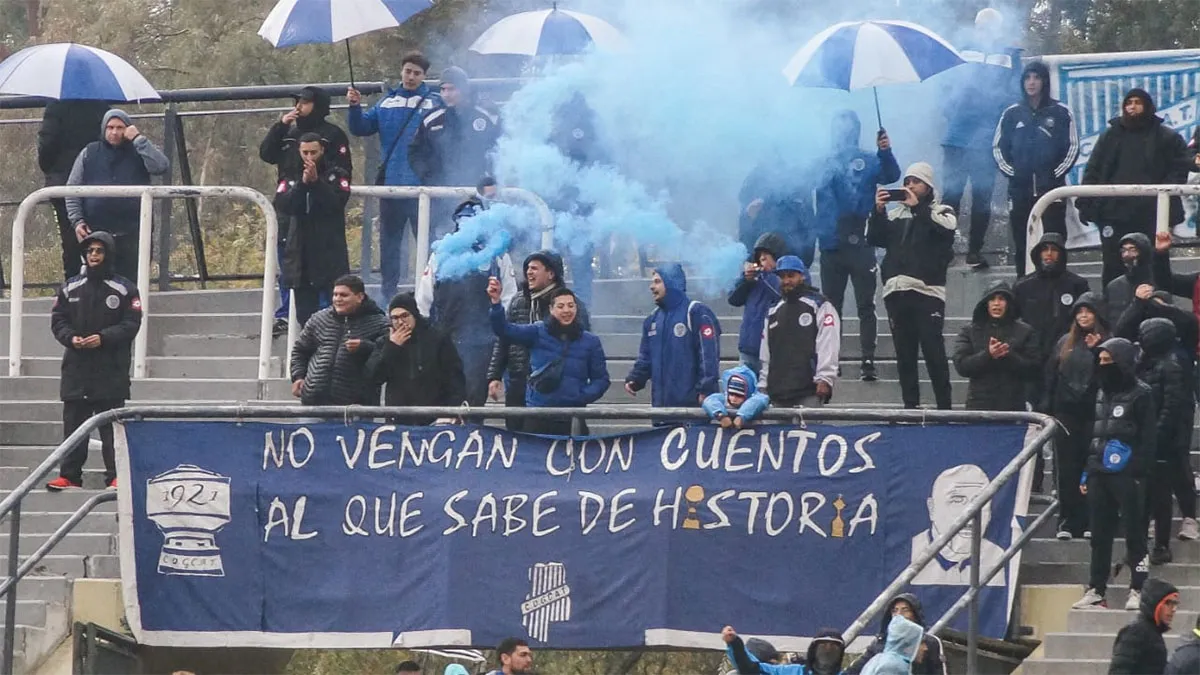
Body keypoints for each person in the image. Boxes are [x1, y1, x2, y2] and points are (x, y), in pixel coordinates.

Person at [45, 232, 142, 492]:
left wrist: (103, 338)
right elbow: (58, 321)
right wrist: (71, 338)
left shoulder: (125, 289)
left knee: (112, 429)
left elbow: (131, 324)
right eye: (90, 251)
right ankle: (69, 476)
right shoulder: (69, 287)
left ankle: (115, 477)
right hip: (77, 371)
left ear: (108, 254)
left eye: (99, 250)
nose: (94, 255)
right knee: (74, 426)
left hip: (111, 371)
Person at [260, 86, 353, 336]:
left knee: (326, 277)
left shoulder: (333, 135)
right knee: (289, 263)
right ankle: (285, 314)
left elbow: (340, 186)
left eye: (306, 102)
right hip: (291, 207)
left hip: (323, 218)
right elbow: (266, 154)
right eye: (298, 101)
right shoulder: (288, 133)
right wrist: (280, 126)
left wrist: (317, 181)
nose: (300, 106)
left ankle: (329, 320)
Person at [348, 51, 442, 298]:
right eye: (408, 71)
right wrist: (355, 107)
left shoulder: (434, 102)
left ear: (425, 76)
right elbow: (361, 128)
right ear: (401, 71)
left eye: (417, 73)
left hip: (423, 186)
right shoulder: (385, 102)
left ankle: (429, 294)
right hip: (390, 186)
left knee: (428, 243)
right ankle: (388, 297)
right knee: (389, 247)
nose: (411, 77)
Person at [1073, 338, 1155, 611]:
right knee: (1099, 534)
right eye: (1100, 361)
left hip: (1127, 474)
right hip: (1098, 472)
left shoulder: (1142, 393)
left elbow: (1148, 438)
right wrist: (1087, 470)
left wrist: (1137, 471)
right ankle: (1097, 589)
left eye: (1108, 361)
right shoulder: (1099, 392)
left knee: (1135, 533)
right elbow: (1095, 434)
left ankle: (1138, 587)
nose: (1103, 366)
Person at [816, 111, 899, 381]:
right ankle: (832, 360)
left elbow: (891, 174)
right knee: (831, 306)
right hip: (831, 244)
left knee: (866, 304)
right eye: (838, 127)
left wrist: (885, 151)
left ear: (856, 130)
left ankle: (868, 359)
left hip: (861, 241)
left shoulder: (868, 158)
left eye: (848, 127)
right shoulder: (823, 162)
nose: (843, 132)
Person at [1077, 88, 1190, 286]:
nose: (1132, 107)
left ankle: (1159, 308)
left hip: (1152, 213)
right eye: (1129, 102)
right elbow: (1093, 169)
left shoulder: (1166, 137)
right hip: (1114, 213)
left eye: (1137, 102)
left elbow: (1179, 169)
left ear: (1147, 106)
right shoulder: (1110, 136)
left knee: (1156, 263)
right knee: (1113, 264)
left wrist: (1164, 198)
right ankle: (1113, 311)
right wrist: (1086, 202)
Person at [867, 162, 956, 409]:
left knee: (933, 351)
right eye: (906, 182)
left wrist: (919, 210)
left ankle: (945, 408)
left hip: (928, 292)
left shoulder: (943, 210)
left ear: (928, 185)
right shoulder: (895, 215)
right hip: (896, 291)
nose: (909, 186)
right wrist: (878, 210)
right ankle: (911, 408)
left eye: (915, 181)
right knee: (904, 355)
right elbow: (873, 238)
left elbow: (946, 232)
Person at [941, 8, 1022, 269]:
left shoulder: (1010, 54)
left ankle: (974, 250)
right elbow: (945, 85)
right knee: (951, 196)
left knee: (982, 198)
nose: (986, 30)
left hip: (987, 139)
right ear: (976, 27)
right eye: (982, 25)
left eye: (991, 26)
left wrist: (1000, 126)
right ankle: (943, 248)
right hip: (957, 135)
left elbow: (1014, 92)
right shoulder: (960, 49)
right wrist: (950, 110)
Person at [416, 222, 518, 408]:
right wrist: (423, 332)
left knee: (474, 394)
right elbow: (424, 296)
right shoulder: (441, 252)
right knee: (444, 393)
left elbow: (509, 297)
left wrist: (500, 332)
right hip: (445, 336)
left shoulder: (498, 253)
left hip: (482, 340)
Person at [992, 61, 1079, 277]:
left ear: (1045, 81)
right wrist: (1014, 173)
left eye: (1036, 77)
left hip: (1051, 191)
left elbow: (1073, 147)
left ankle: (1058, 289)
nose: (1031, 83)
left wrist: (1053, 175)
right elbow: (997, 148)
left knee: (1054, 242)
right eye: (1027, 78)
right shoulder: (1011, 113)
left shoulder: (1061, 111)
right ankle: (1023, 287)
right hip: (1019, 192)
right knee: (1023, 244)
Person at [487, 250, 590, 432]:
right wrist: (495, 376)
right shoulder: (518, 301)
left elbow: (584, 347)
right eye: (527, 268)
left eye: (534, 268)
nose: (528, 272)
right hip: (518, 382)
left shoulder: (572, 305)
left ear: (551, 274)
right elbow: (504, 338)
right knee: (518, 440)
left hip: (556, 389)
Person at [488, 282, 609, 435]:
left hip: (573, 418)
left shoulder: (591, 341)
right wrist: (496, 303)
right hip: (537, 416)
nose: (566, 310)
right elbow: (505, 330)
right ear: (551, 309)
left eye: (571, 305)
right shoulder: (538, 331)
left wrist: (581, 396)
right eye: (561, 306)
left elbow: (601, 379)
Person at [65, 109, 169, 283]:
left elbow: (161, 166)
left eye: (120, 127)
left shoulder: (139, 150)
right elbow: (72, 189)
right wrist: (77, 221)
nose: (114, 132)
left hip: (134, 232)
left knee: (133, 284)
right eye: (110, 127)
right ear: (103, 129)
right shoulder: (89, 152)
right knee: (98, 284)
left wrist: (138, 139)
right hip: (98, 234)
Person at [1042, 293, 1109, 540]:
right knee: (1066, 468)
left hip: (1095, 413)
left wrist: (1096, 352)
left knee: (1092, 468)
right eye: (1079, 311)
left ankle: (1093, 519)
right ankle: (1067, 521)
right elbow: (1051, 376)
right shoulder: (1063, 343)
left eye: (1088, 311)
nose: (1083, 315)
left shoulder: (1109, 341)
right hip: (1065, 413)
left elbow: (1112, 377)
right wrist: (1047, 407)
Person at [409, 66, 501, 233]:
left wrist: (490, 179)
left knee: (480, 241)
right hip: (438, 195)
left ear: (464, 89)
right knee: (438, 244)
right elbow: (415, 151)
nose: (446, 94)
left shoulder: (486, 117)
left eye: (452, 89)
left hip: (477, 193)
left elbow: (499, 149)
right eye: (443, 89)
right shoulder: (432, 118)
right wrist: (429, 176)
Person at [274, 132, 353, 326]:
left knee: (336, 316)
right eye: (305, 152)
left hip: (329, 252)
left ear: (322, 150)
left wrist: (317, 183)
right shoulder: (290, 175)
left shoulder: (336, 175)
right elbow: (283, 205)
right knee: (306, 318)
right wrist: (303, 184)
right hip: (301, 255)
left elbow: (336, 204)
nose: (309, 157)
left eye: (314, 152)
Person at [624, 264, 721, 413]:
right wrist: (636, 379)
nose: (651, 287)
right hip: (661, 409)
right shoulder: (652, 320)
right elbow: (646, 357)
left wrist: (706, 389)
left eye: (657, 281)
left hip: (692, 409)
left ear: (671, 283)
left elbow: (708, 356)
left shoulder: (696, 312)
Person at [1133, 319, 1191, 566]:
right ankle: (1137, 546)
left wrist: (1156, 435)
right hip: (1144, 438)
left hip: (1163, 442)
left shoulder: (1171, 366)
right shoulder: (1143, 364)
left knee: (1160, 495)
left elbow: (1171, 405)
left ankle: (1161, 545)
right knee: (1141, 496)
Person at [364, 293, 466, 425]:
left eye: (404, 316)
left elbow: (455, 378)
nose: (400, 322)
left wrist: (450, 412)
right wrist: (392, 348)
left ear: (414, 314)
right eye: (395, 318)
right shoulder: (385, 342)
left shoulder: (437, 338)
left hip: (435, 418)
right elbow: (373, 377)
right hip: (398, 419)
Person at [1013, 233, 1090, 406]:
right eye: (1044, 250)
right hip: (1032, 357)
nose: (1049, 254)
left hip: (1065, 355)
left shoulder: (1077, 284)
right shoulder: (1023, 286)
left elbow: (1086, 317)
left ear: (1061, 254)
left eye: (1054, 250)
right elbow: (1014, 320)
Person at [37, 99, 110, 280]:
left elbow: (47, 145)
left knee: (69, 237)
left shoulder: (56, 107)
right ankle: (102, 281)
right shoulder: (101, 106)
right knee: (101, 233)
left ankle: (72, 283)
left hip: (62, 179)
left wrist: (51, 169)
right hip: (97, 178)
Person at [290, 275, 390, 406]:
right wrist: (298, 376)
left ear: (360, 297)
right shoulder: (318, 320)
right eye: (335, 295)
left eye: (343, 295)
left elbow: (388, 357)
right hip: (314, 403)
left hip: (357, 406)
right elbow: (300, 351)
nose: (338, 299)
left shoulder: (379, 323)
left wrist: (365, 347)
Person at [758, 255, 839, 408]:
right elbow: (766, 353)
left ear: (801, 276)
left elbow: (829, 342)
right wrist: (763, 386)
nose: (786, 281)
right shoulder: (773, 311)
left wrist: (825, 378)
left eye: (791, 275)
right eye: (782, 276)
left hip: (809, 390)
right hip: (777, 392)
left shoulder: (819, 304)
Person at [911, 464, 1006, 586]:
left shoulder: (998, 555)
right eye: (957, 500)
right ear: (932, 508)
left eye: (980, 501)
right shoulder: (913, 551)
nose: (969, 511)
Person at [952, 281, 1039, 411]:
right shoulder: (969, 331)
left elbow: (1034, 368)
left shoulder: (1025, 331)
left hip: (1013, 406)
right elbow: (962, 366)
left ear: (1009, 303)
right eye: (992, 299)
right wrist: (988, 355)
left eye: (1001, 299)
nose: (996, 303)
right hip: (979, 405)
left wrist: (1009, 356)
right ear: (985, 303)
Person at [738, 154, 816, 265]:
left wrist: (803, 262)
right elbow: (745, 228)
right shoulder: (753, 182)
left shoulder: (798, 181)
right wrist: (751, 261)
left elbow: (809, 226)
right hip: (762, 260)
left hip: (792, 261)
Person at [728, 233, 786, 375]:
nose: (762, 258)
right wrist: (745, 280)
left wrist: (765, 274)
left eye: (766, 254)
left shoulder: (783, 279)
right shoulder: (754, 279)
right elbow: (733, 299)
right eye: (760, 254)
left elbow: (781, 294)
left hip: (772, 351)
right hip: (748, 348)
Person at [846, 593, 947, 675]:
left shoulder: (930, 642)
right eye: (894, 610)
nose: (899, 614)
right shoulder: (880, 642)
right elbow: (855, 669)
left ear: (916, 614)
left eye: (905, 610)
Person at [1109, 578, 1180, 675]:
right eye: (1168, 603)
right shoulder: (1136, 632)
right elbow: (1119, 670)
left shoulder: (1152, 633)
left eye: (1175, 604)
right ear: (1155, 603)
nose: (1173, 609)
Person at [722, 625, 845, 675]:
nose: (828, 651)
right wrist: (735, 644)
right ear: (814, 650)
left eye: (833, 647)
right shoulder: (792, 672)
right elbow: (752, 668)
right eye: (823, 646)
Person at [1104, 233, 1156, 327]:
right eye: (1123, 250)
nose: (1127, 255)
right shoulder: (1114, 286)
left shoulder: (1158, 281)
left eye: (1133, 250)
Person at [703, 365, 770, 428]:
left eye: (739, 396)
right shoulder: (722, 399)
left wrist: (741, 416)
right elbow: (709, 401)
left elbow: (760, 399)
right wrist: (721, 416)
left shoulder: (755, 397)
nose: (734, 399)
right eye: (731, 394)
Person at [859, 615, 924, 675]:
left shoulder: (882, 659)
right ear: (909, 644)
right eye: (920, 642)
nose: (925, 648)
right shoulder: (892, 667)